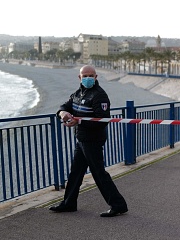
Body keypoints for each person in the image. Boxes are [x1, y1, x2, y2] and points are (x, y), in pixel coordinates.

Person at [49, 65, 128, 217]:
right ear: (79, 77)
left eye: (91, 75)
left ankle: (118, 205)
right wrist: (63, 113)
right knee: (76, 173)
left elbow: (102, 121)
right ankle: (69, 203)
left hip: (93, 140)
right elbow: (65, 106)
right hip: (81, 139)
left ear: (96, 77)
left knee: (99, 173)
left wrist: (78, 122)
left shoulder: (99, 95)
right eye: (85, 75)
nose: (88, 78)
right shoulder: (78, 93)